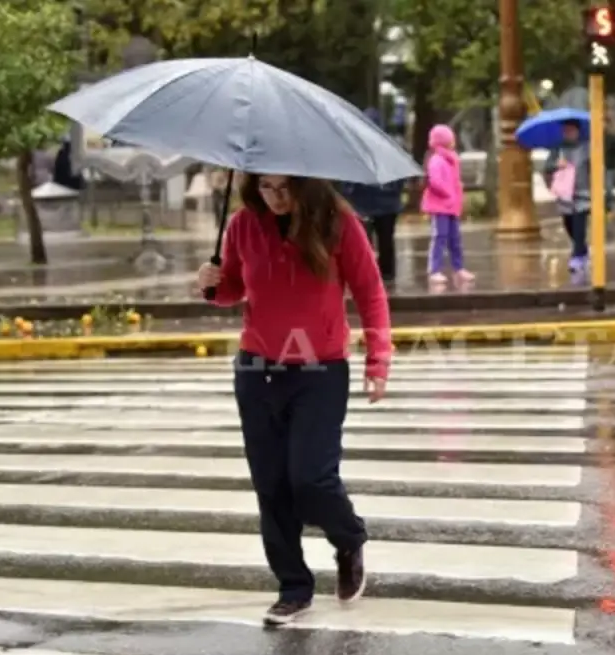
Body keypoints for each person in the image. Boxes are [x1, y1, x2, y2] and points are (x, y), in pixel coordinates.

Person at [196, 173, 392, 627]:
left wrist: (378, 360)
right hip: (257, 369)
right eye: (265, 187)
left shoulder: (339, 224)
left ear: (305, 183)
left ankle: (349, 537)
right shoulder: (244, 225)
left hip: (320, 369)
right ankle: (293, 588)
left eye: (285, 187)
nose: (276, 197)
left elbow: (370, 293)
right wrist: (210, 283)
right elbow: (233, 290)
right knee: (272, 485)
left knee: (310, 479)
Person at [337, 109, 405, 283]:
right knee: (386, 240)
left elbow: (348, 176)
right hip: (388, 203)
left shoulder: (354, 147)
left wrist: (349, 194)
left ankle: (367, 275)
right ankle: (387, 274)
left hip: (363, 203)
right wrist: (395, 192)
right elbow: (400, 175)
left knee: (364, 242)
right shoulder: (390, 146)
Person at [421, 124, 474, 286]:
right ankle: (435, 270)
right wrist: (448, 193)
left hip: (451, 206)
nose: (454, 142)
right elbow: (435, 182)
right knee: (439, 237)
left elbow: (455, 182)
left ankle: (459, 268)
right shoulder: (437, 160)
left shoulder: (451, 159)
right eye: (450, 139)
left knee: (455, 238)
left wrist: (457, 196)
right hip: (440, 206)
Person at [544, 120, 591, 273]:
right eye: (566, 131)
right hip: (565, 195)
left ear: (578, 131)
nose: (568, 133)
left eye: (571, 130)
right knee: (568, 225)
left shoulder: (587, 147)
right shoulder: (558, 148)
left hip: (582, 194)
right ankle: (582, 249)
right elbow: (546, 167)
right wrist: (557, 164)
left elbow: (595, 167)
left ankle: (576, 257)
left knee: (579, 226)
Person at [604, 115, 615, 214]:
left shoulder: (613, 138)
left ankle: (609, 204)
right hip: (599, 166)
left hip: (610, 166)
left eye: (605, 123)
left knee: (609, 187)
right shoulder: (595, 137)